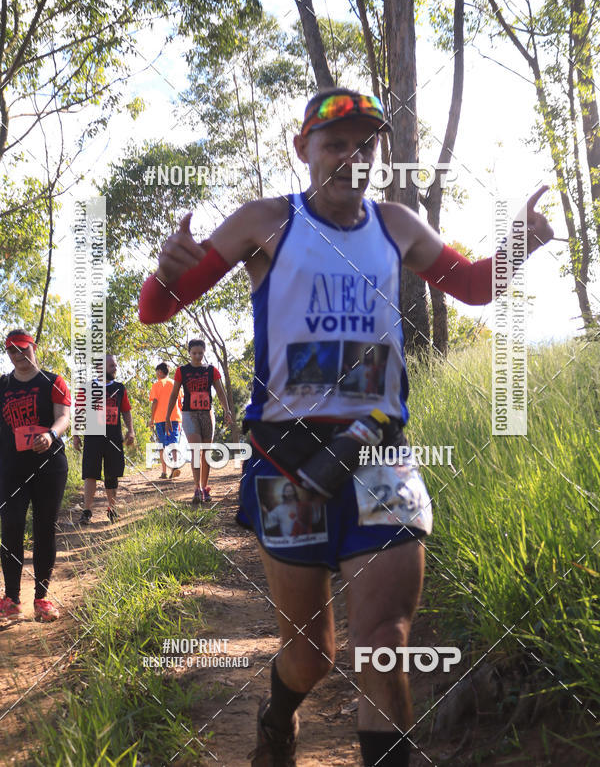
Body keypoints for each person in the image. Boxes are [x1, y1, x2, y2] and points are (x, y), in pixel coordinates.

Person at [138, 87, 553, 766]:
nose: (351, 158)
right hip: (286, 465)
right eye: (335, 144)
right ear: (303, 149)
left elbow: (473, 286)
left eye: (366, 145)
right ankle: (279, 717)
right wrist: (164, 272)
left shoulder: (396, 224)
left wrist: (520, 246)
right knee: (311, 658)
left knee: (384, 643)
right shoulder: (263, 222)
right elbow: (159, 310)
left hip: (381, 455)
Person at [0, 330, 71, 622]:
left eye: (23, 349)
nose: (19, 356)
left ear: (34, 348)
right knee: (11, 527)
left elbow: (64, 416)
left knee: (44, 528)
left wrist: (51, 434)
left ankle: (41, 598)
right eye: (12, 352)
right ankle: (12, 598)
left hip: (49, 466)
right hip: (10, 468)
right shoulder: (3, 385)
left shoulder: (53, 381)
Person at [164, 340, 233, 504]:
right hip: (189, 414)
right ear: (189, 353)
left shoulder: (211, 371)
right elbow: (174, 394)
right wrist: (167, 416)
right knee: (196, 450)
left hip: (207, 413)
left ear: (204, 352)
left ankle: (204, 487)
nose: (197, 356)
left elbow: (220, 392)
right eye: (194, 353)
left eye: (200, 353)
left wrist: (227, 410)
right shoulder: (182, 371)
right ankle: (196, 488)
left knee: (206, 452)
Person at [73, 354, 135, 525]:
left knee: (112, 473)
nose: (115, 368)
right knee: (90, 473)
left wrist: (131, 431)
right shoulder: (87, 387)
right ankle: (86, 511)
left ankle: (112, 509)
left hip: (114, 436)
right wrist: (76, 435)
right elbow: (79, 411)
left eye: (115, 365)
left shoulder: (120, 388)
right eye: (112, 366)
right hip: (93, 435)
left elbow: (126, 411)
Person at [148, 362, 183, 479]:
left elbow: (155, 402)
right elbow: (180, 402)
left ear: (160, 372)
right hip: (174, 418)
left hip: (160, 419)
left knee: (162, 445)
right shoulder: (175, 384)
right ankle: (175, 465)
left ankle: (164, 472)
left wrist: (151, 419)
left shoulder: (156, 385)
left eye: (156, 372)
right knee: (173, 441)